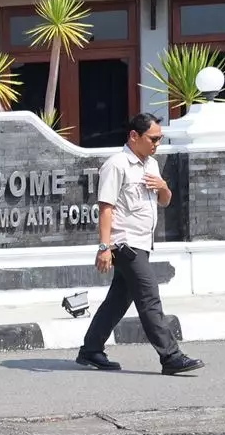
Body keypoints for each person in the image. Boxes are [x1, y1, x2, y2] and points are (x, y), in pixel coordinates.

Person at [77, 113, 205, 376]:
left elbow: (165, 201)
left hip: (143, 243)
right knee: (149, 298)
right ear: (134, 136)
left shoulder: (152, 166)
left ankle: (91, 349)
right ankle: (171, 357)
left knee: (118, 301)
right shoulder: (117, 165)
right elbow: (106, 208)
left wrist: (163, 186)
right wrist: (104, 247)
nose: (157, 143)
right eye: (153, 138)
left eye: (160, 139)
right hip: (125, 244)